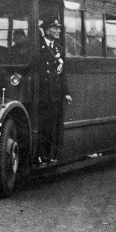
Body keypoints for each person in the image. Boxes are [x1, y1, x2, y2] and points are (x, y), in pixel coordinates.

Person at [38, 17, 72, 163]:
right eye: (55, 28)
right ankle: (41, 155)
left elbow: (62, 73)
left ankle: (50, 155)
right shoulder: (38, 47)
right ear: (46, 30)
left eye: (59, 28)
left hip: (55, 94)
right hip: (42, 93)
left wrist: (66, 93)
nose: (59, 30)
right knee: (42, 125)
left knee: (52, 126)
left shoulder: (59, 48)